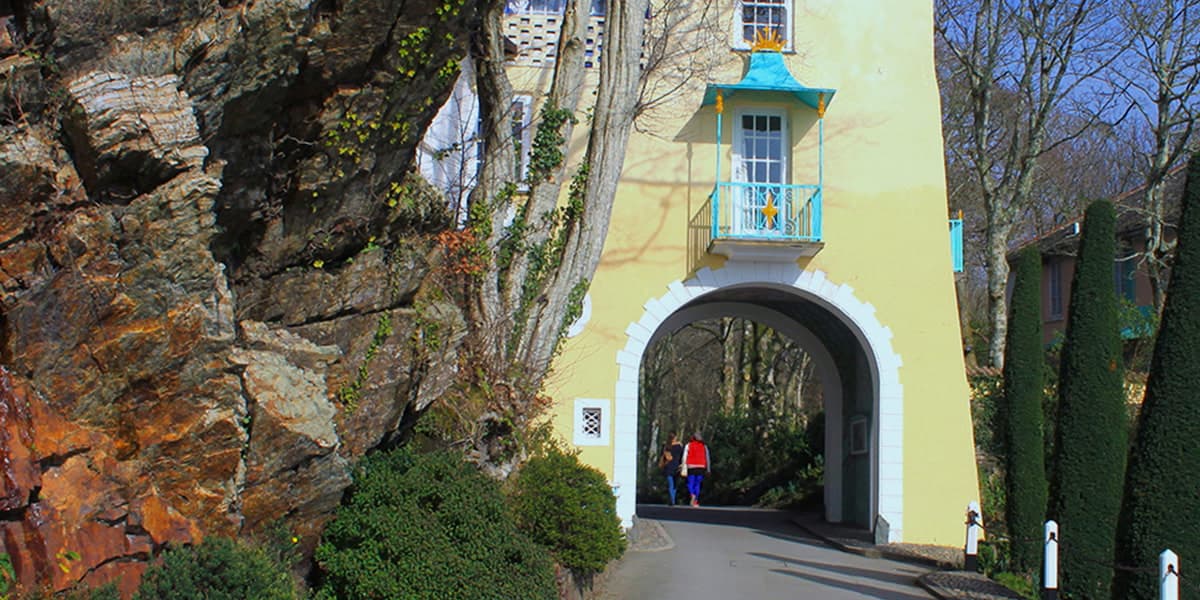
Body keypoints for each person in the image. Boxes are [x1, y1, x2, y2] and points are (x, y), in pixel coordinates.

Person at [681, 431, 710, 507]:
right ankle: (696, 500)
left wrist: (684, 467)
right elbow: (707, 458)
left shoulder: (688, 445)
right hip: (701, 466)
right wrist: (708, 469)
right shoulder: (704, 446)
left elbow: (684, 456)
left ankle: (692, 495)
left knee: (690, 483)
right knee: (698, 484)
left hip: (691, 466)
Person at [659, 433, 684, 505]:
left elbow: (662, 455)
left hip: (668, 467)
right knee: (675, 485)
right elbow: (682, 456)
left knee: (670, 485)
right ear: (675, 437)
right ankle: (673, 499)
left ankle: (672, 500)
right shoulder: (679, 446)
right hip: (677, 466)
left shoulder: (665, 446)